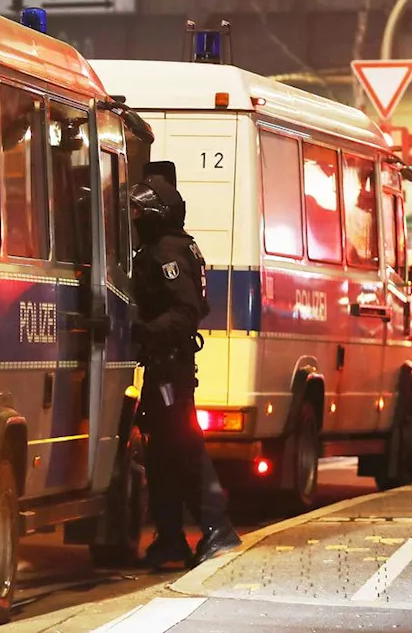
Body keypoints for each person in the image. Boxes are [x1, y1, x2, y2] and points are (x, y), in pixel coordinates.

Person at [129, 173, 241, 569]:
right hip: (164, 366)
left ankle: (217, 528)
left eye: (139, 211)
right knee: (161, 454)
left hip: (170, 365)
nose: (134, 218)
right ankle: (171, 538)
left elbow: (185, 311)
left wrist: (142, 331)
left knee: (185, 448)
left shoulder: (167, 252)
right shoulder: (171, 247)